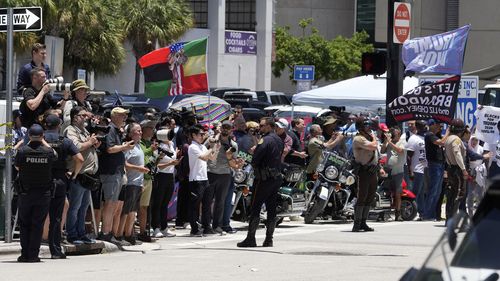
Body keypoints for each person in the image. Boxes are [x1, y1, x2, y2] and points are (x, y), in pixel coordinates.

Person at [238, 117, 284, 248]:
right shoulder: (278, 139)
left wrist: (254, 153)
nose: (260, 128)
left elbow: (256, 159)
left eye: (262, 125)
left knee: (255, 207)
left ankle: (250, 238)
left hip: (263, 179)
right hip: (275, 178)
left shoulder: (265, 140)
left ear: (269, 126)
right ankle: (269, 239)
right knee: (271, 209)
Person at [15, 124, 57, 262]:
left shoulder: (22, 151)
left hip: (25, 193)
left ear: (29, 136)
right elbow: (54, 154)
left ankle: (24, 254)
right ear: (42, 136)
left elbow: (17, 166)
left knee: (24, 223)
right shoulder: (48, 152)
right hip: (43, 194)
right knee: (37, 224)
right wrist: (43, 141)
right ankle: (33, 255)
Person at [43, 114, 84, 258]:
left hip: (40, 181)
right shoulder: (64, 141)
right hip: (59, 181)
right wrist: (74, 174)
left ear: (45, 125)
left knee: (37, 215)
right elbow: (80, 159)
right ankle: (55, 250)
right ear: (59, 125)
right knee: (56, 217)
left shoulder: (39, 139)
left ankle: (32, 249)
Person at [98, 107, 135, 244]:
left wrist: (124, 145)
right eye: (121, 115)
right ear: (113, 116)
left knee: (113, 204)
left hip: (116, 172)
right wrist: (124, 147)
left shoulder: (117, 131)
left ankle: (108, 232)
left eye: (125, 116)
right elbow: (110, 148)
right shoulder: (111, 130)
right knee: (110, 203)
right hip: (110, 172)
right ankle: (106, 233)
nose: (124, 118)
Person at [64, 107, 100, 245]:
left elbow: (86, 146)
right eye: (82, 115)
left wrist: (94, 145)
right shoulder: (70, 130)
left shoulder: (84, 130)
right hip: (77, 174)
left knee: (84, 206)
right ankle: (72, 234)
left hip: (87, 175)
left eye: (86, 115)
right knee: (75, 206)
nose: (86, 118)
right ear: (75, 117)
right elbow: (76, 147)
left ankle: (81, 233)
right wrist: (89, 143)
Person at [207, 120, 244, 234]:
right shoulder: (212, 140)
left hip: (225, 175)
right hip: (210, 172)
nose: (225, 129)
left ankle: (217, 225)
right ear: (221, 128)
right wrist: (211, 144)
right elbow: (202, 152)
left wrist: (236, 162)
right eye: (224, 127)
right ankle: (206, 224)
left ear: (231, 130)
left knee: (220, 202)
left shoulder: (233, 145)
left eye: (228, 128)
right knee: (207, 201)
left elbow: (234, 162)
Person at [118, 123, 150, 245]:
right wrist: (139, 168)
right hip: (130, 182)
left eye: (141, 130)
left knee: (133, 211)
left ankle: (129, 234)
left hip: (138, 182)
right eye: (138, 131)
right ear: (130, 133)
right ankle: (120, 234)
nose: (140, 133)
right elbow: (125, 164)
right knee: (126, 210)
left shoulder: (138, 146)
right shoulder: (128, 146)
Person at [352, 117, 385, 232]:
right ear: (361, 127)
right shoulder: (358, 139)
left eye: (369, 126)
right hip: (363, 171)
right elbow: (373, 146)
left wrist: (380, 168)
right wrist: (374, 137)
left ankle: (363, 222)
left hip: (372, 171)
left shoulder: (369, 138)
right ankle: (356, 224)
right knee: (362, 197)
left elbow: (377, 154)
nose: (369, 128)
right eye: (366, 126)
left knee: (370, 197)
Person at [187, 125, 219, 237]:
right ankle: (194, 229)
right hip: (196, 180)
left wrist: (215, 146)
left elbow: (212, 158)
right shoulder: (193, 147)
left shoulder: (202, 146)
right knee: (194, 205)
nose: (202, 136)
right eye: (200, 134)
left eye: (202, 134)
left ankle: (207, 227)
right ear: (194, 135)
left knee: (207, 204)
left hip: (204, 178)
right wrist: (210, 147)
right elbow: (204, 157)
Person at [151, 128, 180, 238]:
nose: (171, 137)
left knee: (165, 203)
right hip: (160, 176)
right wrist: (171, 163)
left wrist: (175, 158)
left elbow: (172, 158)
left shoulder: (171, 145)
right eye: (168, 135)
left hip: (170, 176)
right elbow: (156, 165)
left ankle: (164, 227)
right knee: (158, 203)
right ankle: (156, 227)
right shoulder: (158, 147)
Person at [423, 119, 449, 220]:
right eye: (438, 125)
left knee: (438, 191)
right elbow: (442, 142)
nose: (440, 127)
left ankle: (433, 214)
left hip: (440, 164)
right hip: (434, 164)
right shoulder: (429, 135)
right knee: (433, 190)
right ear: (432, 125)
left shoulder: (437, 135)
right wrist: (447, 133)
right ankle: (427, 215)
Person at [443, 119, 468, 222]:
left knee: (451, 194)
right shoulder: (456, 139)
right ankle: (452, 219)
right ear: (461, 130)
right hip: (457, 169)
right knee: (458, 194)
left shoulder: (448, 139)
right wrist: (463, 169)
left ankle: (449, 218)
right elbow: (457, 154)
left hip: (451, 168)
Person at [137, 120, 157, 242]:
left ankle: (143, 232)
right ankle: (128, 231)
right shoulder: (139, 143)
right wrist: (151, 150)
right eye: (149, 127)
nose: (152, 130)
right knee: (135, 207)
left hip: (149, 178)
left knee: (144, 207)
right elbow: (142, 154)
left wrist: (158, 158)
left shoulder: (149, 143)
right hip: (139, 177)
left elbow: (150, 160)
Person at [381, 127, 406, 221]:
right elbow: (382, 151)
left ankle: (398, 214)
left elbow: (400, 150)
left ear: (399, 134)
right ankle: (383, 213)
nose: (392, 134)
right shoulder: (389, 142)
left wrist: (390, 142)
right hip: (388, 169)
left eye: (394, 133)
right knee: (385, 192)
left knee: (398, 193)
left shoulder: (403, 142)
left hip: (398, 171)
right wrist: (385, 141)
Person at [405, 120, 427, 220]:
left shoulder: (425, 137)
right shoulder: (413, 139)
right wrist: (411, 171)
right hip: (416, 169)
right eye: (423, 126)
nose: (425, 127)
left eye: (425, 125)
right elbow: (408, 157)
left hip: (425, 169)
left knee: (422, 193)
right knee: (415, 192)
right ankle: (411, 212)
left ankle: (422, 213)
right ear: (417, 127)